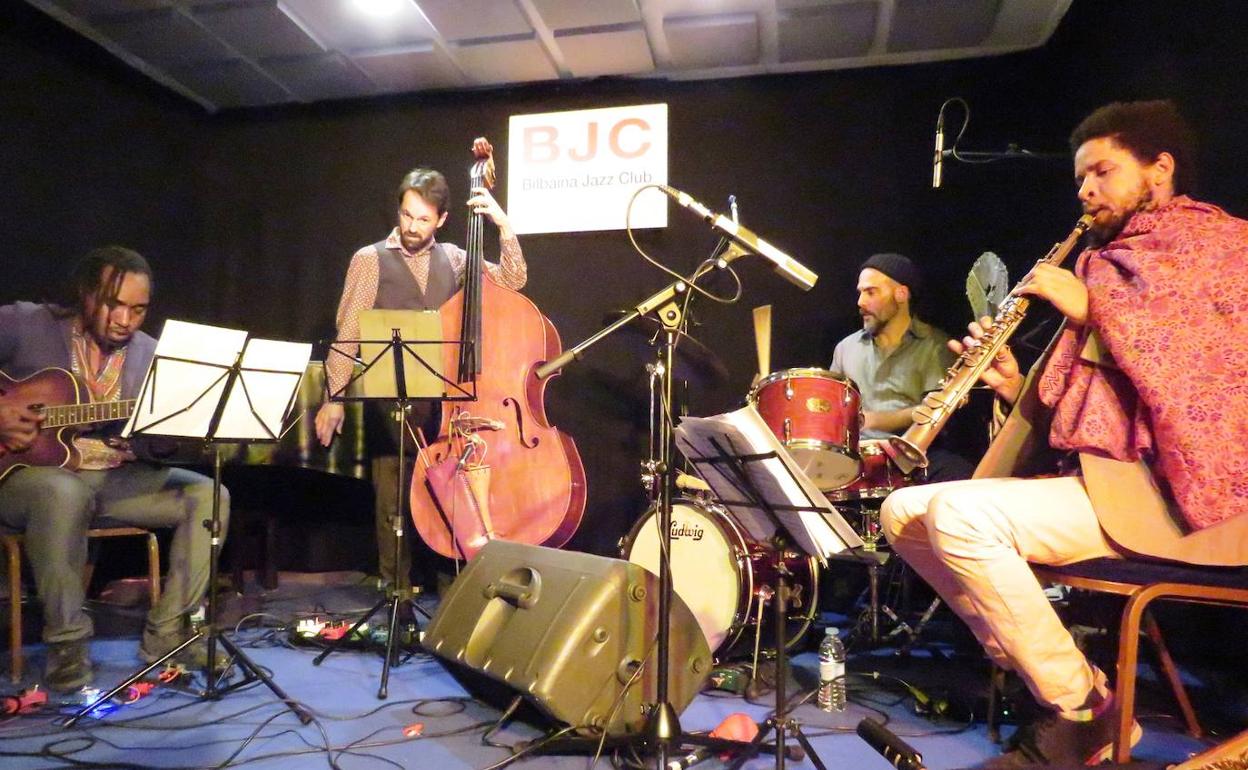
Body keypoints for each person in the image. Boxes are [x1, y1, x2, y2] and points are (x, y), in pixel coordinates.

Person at [880, 99, 1248, 767]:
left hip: (1186, 498)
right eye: (1080, 178)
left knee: (961, 518)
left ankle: (1079, 714)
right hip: (1109, 485)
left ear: (1159, 169)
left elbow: (1214, 375)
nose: (1085, 191)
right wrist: (1016, 384)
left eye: (1103, 172)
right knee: (902, 510)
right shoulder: (1111, 265)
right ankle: (1082, 699)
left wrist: (1091, 308)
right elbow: (1096, 403)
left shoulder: (1223, 246)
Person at [0, 246, 227, 692]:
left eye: (138, 309)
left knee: (208, 495)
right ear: (87, 295)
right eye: (113, 304)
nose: (124, 319)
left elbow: (155, 445)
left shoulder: (149, 357)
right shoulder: (27, 323)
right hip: (22, 481)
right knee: (63, 493)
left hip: (104, 480)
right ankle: (67, 646)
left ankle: (169, 636)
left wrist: (168, 433)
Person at [315, 166, 526, 595]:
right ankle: (396, 598)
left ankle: (453, 603)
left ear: (442, 220)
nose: (412, 226)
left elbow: (512, 281)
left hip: (448, 407)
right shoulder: (369, 259)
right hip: (392, 401)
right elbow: (349, 330)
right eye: (407, 215)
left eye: (423, 219)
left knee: (449, 504)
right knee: (393, 506)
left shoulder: (455, 257)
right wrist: (333, 396)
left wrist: (502, 225)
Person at [829, 252, 972, 482]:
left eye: (871, 292)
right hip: (856, 456)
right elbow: (831, 408)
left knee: (959, 472)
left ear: (901, 294)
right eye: (860, 293)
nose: (860, 302)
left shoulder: (935, 346)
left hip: (914, 457)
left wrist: (873, 419)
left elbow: (934, 413)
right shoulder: (846, 348)